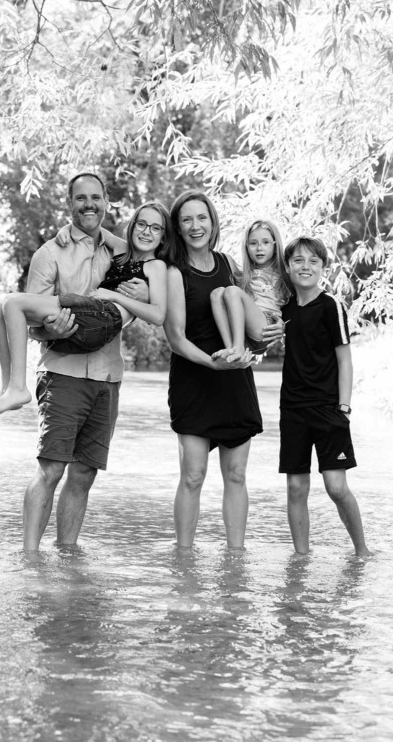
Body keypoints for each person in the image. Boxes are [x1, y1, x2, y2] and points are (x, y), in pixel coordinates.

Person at [17, 172, 149, 552]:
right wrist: (52, 330)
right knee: (52, 469)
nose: (88, 204)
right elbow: (32, 324)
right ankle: (29, 558)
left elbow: (143, 302)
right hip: (62, 374)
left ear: (107, 201)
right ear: (69, 203)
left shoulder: (126, 253)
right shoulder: (49, 254)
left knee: (85, 472)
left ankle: (67, 556)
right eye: (80, 198)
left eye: (95, 197)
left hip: (108, 376)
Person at [0, 201, 171, 424]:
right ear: (133, 225)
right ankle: (8, 387)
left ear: (164, 236)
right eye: (142, 224)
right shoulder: (122, 248)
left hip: (105, 315)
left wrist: (116, 296)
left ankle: (19, 388)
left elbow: (158, 316)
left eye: (156, 228)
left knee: (12, 303)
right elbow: (92, 229)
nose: (147, 232)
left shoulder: (156, 266)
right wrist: (65, 230)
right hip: (93, 311)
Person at [163, 190, 265, 550]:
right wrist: (212, 363)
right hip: (195, 381)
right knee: (193, 476)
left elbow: (252, 318)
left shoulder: (227, 265)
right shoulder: (174, 273)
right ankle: (184, 559)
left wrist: (269, 334)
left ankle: (235, 558)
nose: (195, 226)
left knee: (236, 475)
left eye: (202, 218)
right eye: (187, 219)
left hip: (234, 382)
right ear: (177, 226)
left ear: (213, 222)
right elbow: (175, 338)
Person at [278, 235, 371, 557]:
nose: (306, 267)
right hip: (292, 409)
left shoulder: (332, 305)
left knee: (336, 487)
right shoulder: (283, 308)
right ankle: (301, 558)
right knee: (295, 487)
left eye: (313, 261)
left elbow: (344, 359)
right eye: (298, 261)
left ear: (322, 268)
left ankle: (361, 551)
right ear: (288, 268)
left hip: (329, 409)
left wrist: (344, 407)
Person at [209, 219, 292, 362]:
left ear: (275, 245)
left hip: (266, 328)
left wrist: (285, 326)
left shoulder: (284, 273)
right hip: (245, 332)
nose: (259, 248)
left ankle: (238, 347)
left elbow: (299, 302)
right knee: (216, 293)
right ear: (246, 246)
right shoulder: (243, 274)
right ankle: (231, 348)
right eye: (253, 243)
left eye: (266, 242)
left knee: (232, 291)